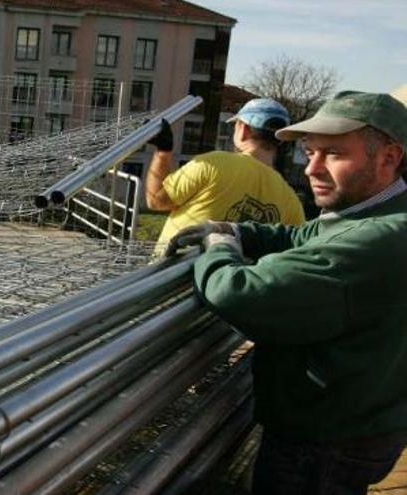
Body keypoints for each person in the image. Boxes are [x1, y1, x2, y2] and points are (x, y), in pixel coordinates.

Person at [168, 91, 407, 495]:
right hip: (359, 421)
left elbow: (242, 293)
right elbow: (299, 234)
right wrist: (239, 230)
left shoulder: (380, 238)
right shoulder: (371, 212)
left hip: (327, 440)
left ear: (388, 157)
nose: (311, 168)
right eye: (309, 153)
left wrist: (219, 249)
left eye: (332, 153)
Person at [145, 98, 305, 250]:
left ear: (243, 130)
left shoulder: (213, 163)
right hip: (229, 277)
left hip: (169, 273)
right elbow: (295, 247)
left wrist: (163, 151)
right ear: (281, 141)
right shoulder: (291, 201)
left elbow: (156, 200)